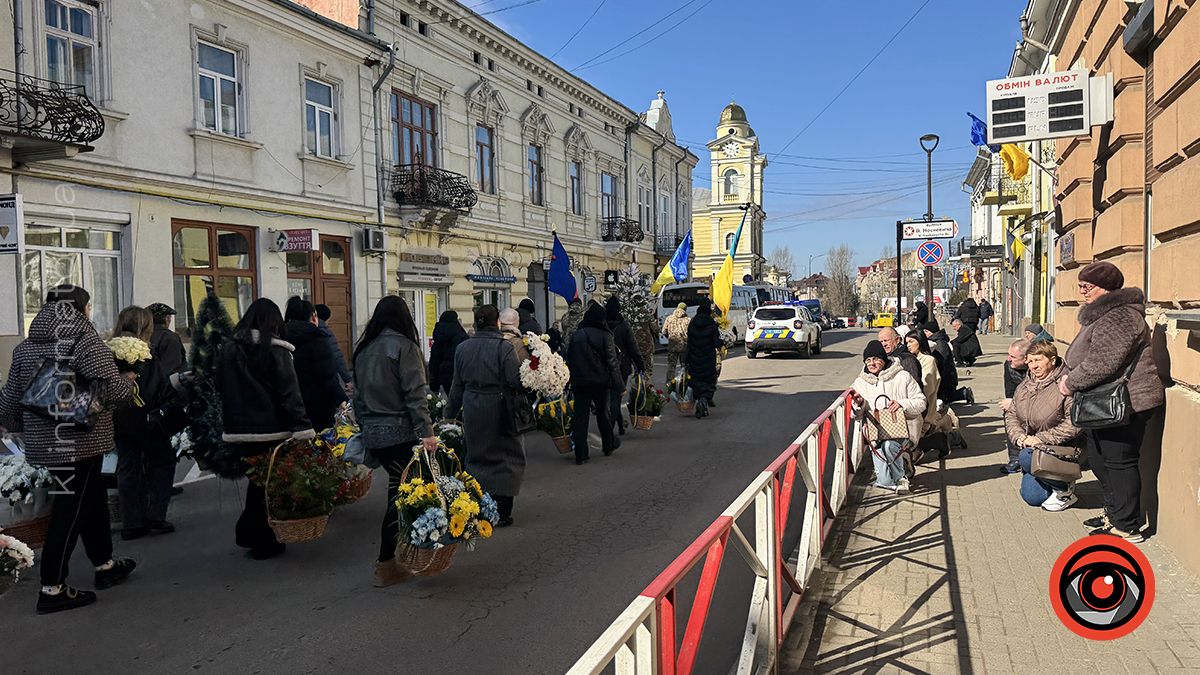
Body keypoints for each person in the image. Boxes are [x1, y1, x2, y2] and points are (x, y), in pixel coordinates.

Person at [0, 285, 137, 614]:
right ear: (81, 308)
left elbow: (9, 400)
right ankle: (52, 588)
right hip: (81, 441)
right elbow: (114, 388)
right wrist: (130, 380)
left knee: (91, 502)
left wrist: (13, 428)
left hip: (47, 445)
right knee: (70, 509)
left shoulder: (26, 347)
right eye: (88, 306)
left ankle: (104, 565)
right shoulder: (85, 342)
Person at [1060, 261, 1166, 542]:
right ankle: (1114, 513)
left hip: (1127, 402)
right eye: (1080, 285)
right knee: (1098, 458)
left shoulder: (1119, 316)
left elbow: (1102, 363)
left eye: (1087, 286)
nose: (1082, 291)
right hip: (1104, 401)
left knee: (1119, 462)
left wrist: (1070, 383)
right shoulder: (1103, 314)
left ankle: (1127, 526)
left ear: (1106, 288)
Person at [216, 298, 315, 561]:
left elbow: (219, 387)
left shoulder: (229, 350)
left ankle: (252, 534)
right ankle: (259, 537)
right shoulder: (276, 350)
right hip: (271, 429)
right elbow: (289, 394)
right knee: (267, 485)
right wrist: (303, 429)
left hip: (239, 429)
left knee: (257, 481)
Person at [352, 295, 438, 585]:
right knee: (399, 496)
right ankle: (387, 562)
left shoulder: (364, 349)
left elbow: (358, 398)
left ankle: (396, 557)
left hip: (375, 433)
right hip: (401, 432)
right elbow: (416, 395)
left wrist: (366, 428)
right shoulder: (405, 347)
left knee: (398, 491)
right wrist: (426, 432)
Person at [447, 305, 526, 524]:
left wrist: (448, 416)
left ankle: (480, 505)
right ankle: (503, 511)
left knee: (477, 454)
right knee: (507, 455)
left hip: (472, 406)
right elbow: (514, 380)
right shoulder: (504, 348)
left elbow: (456, 387)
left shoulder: (463, 348)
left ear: (475, 322)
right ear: (498, 323)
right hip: (499, 407)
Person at [112, 305, 176, 540]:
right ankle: (155, 516)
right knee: (163, 462)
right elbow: (158, 385)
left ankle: (132, 522)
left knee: (128, 466)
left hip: (120, 417)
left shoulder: (109, 349)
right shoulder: (144, 351)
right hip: (147, 416)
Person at [1007, 341, 1082, 511]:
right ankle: (1051, 478)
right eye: (1030, 361)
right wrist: (1017, 435)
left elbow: (1075, 423)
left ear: (1052, 360)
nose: (1033, 366)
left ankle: (1064, 487)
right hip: (1033, 448)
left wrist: (1039, 439)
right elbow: (1011, 414)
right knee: (1033, 497)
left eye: (1038, 360)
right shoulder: (1024, 385)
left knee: (1026, 457)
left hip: (1063, 448)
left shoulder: (1065, 384)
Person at [851, 340, 926, 494]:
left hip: (904, 428)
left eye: (876, 359)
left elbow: (921, 402)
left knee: (889, 446)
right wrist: (859, 405)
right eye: (868, 360)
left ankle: (901, 479)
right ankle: (894, 477)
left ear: (883, 360)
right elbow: (855, 415)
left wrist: (901, 404)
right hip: (875, 432)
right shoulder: (860, 382)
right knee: (884, 480)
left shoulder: (902, 376)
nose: (872, 363)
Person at [566, 303, 621, 463]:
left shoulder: (577, 335)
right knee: (603, 414)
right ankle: (608, 445)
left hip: (580, 382)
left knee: (580, 417)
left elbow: (569, 358)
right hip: (600, 381)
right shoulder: (606, 335)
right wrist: (619, 385)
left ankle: (581, 454)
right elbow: (612, 362)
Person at [283, 296, 348, 431]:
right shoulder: (317, 339)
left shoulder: (280, 337)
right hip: (317, 406)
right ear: (313, 316)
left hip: (288, 404)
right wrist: (341, 399)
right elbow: (327, 375)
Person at [606, 295, 644, 435]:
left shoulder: (601, 323)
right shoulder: (623, 325)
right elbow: (632, 347)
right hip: (622, 366)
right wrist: (640, 364)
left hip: (603, 367)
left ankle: (621, 424)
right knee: (616, 397)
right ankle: (609, 427)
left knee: (610, 396)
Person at [999, 339, 1031, 474]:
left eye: (1013, 357)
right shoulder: (1008, 366)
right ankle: (1015, 458)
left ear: (1026, 359)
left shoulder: (1037, 366)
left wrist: (1014, 403)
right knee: (1009, 414)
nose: (1009, 359)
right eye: (1008, 355)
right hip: (1021, 402)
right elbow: (1010, 392)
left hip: (1040, 405)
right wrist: (1012, 403)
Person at [686, 300, 722, 419]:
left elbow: (689, 342)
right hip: (708, 359)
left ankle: (699, 399)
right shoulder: (711, 324)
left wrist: (686, 359)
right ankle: (704, 400)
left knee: (695, 380)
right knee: (709, 381)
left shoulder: (692, 323)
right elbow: (717, 342)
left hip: (693, 358)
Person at [428, 310, 469, 395]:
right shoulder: (461, 336)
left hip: (443, 379)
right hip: (459, 378)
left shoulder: (438, 337)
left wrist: (434, 384)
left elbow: (434, 362)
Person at [314, 304, 352, 390]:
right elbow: (337, 357)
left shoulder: (303, 330)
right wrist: (347, 379)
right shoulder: (326, 333)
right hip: (326, 378)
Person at [661, 303, 691, 388]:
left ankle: (669, 383)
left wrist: (670, 338)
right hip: (684, 346)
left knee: (671, 365)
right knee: (684, 366)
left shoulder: (669, 318)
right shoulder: (688, 320)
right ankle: (684, 382)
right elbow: (691, 333)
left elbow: (664, 331)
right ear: (685, 309)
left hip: (672, 346)